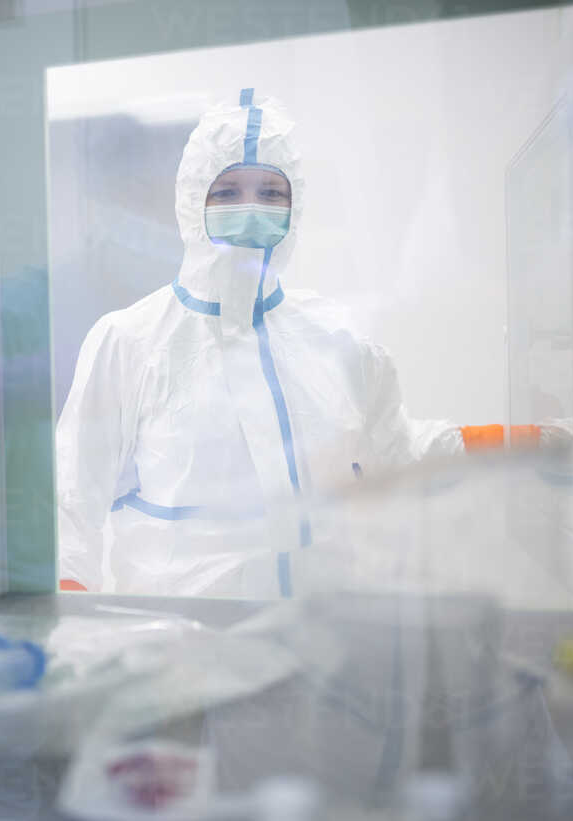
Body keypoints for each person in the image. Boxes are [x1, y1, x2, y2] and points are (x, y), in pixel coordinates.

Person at [56, 89, 463, 597]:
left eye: (271, 193)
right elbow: (73, 500)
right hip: (184, 644)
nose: (251, 209)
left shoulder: (338, 337)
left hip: (324, 633)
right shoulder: (130, 341)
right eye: (227, 193)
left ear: (295, 207)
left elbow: (398, 453)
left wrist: (530, 438)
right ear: (191, 200)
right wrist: (74, 630)